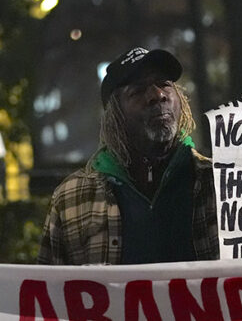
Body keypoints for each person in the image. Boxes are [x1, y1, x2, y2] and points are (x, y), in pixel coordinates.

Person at [37, 47, 219, 265]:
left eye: (164, 84)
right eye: (138, 90)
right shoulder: (72, 198)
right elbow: (51, 290)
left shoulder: (217, 182)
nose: (157, 95)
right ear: (115, 116)